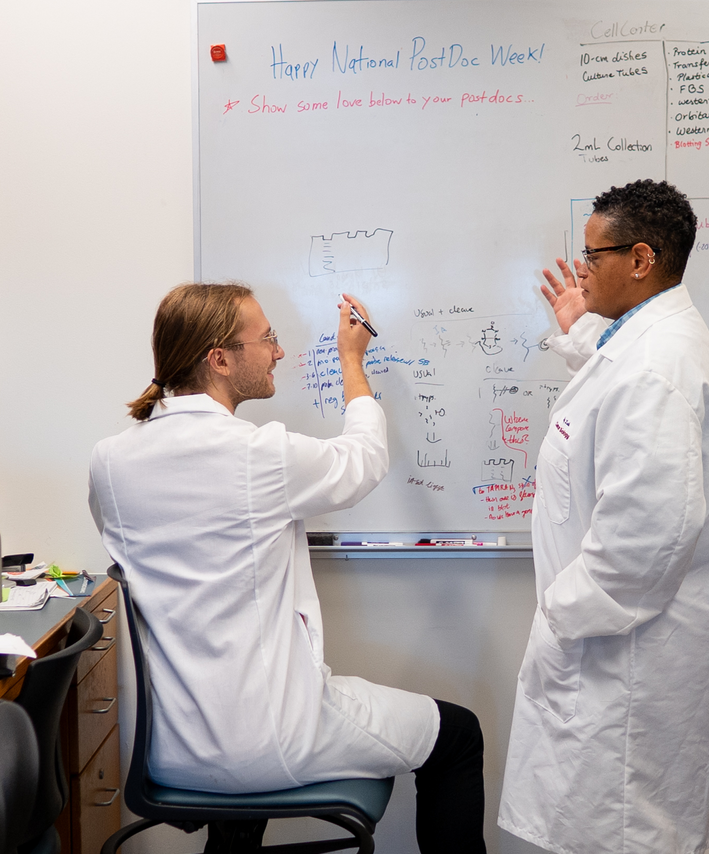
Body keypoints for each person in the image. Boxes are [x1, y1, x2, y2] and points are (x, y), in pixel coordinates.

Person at [87, 283, 486, 853]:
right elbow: (364, 459)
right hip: (266, 740)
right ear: (219, 359)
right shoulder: (255, 455)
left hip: (169, 750)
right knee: (459, 735)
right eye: (268, 338)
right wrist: (352, 360)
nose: (278, 352)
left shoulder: (111, 460)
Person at [500, 180, 709, 854]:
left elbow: (644, 539)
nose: (582, 268)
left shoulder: (656, 368)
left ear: (640, 259)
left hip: (621, 657)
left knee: (626, 833)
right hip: (619, 648)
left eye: (593, 256)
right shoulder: (646, 345)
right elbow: (614, 385)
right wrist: (581, 331)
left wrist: (560, 615)